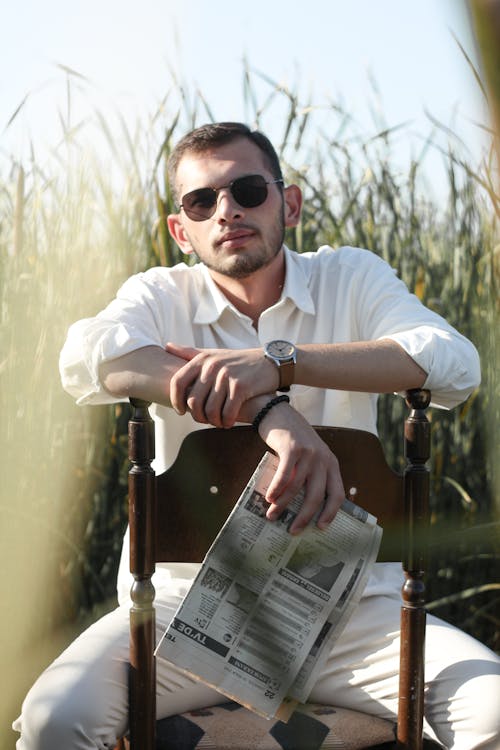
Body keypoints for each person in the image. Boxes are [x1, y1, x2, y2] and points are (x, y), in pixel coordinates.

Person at [13, 122, 500, 749]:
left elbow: (451, 360)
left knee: (494, 715)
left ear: (288, 204)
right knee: (57, 720)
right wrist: (271, 410)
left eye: (248, 190)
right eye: (201, 201)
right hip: (187, 614)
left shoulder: (349, 277)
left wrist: (281, 362)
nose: (228, 212)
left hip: (355, 616)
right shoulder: (161, 295)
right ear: (180, 231)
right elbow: (88, 357)